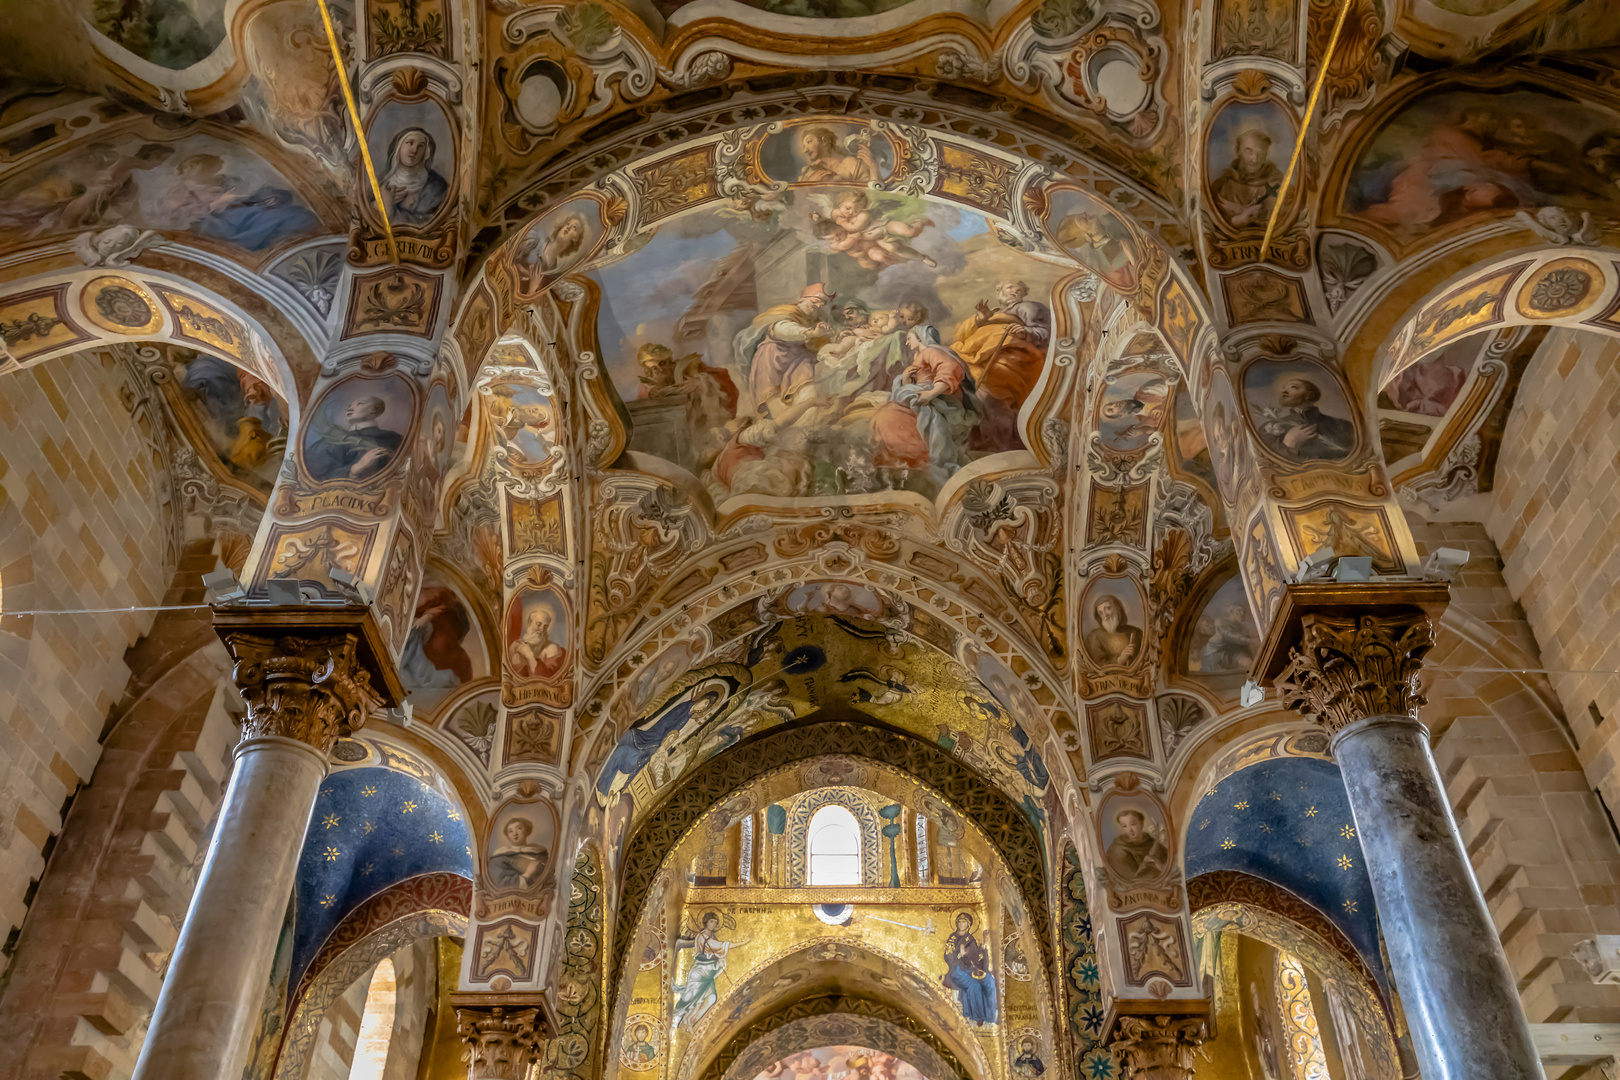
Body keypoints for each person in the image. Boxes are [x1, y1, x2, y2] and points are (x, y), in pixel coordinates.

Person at [952, 280, 1052, 451]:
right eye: (1010, 287)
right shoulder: (993, 314)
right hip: (981, 359)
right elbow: (960, 338)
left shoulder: (1027, 307)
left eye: (1019, 289)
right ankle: (978, 442)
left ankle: (997, 445)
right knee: (973, 397)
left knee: (991, 397)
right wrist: (981, 318)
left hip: (1007, 359)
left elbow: (1045, 332)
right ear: (999, 292)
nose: (1015, 290)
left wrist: (1024, 331)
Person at [870, 325, 978, 476]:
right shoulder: (919, 356)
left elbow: (951, 367)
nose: (907, 343)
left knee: (898, 415)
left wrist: (931, 393)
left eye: (909, 339)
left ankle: (920, 458)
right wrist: (907, 381)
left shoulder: (931, 351)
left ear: (920, 337)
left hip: (935, 398)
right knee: (887, 413)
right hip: (918, 393)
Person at [733, 284, 836, 407]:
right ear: (804, 300)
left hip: (799, 360)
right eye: (815, 301)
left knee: (806, 391)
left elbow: (821, 342)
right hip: (774, 359)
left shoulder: (816, 320)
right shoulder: (787, 312)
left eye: (821, 305)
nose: (818, 306)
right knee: (773, 403)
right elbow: (783, 329)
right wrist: (810, 333)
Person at [671, 912, 747, 1028]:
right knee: (688, 997)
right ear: (705, 922)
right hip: (700, 971)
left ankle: (690, 1022)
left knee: (711, 999)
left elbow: (715, 947)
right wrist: (743, 943)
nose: (713, 925)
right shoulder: (702, 937)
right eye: (711, 922)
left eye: (715, 923)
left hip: (709, 973)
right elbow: (720, 946)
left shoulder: (712, 937)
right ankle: (675, 1018)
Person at [304, 394, 402, 482]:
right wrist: (354, 469)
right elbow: (314, 476)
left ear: (375, 409)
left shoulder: (392, 438)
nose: (350, 408)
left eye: (359, 404)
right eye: (349, 406)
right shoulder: (328, 442)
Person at [1253, 376, 1355, 460]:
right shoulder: (1268, 428)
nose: (1284, 391)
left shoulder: (1342, 426)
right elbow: (1264, 462)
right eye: (1283, 388)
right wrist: (1289, 444)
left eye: (1293, 387)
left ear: (1309, 394)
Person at [400, 585, 473, 691]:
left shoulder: (450, 674)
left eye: (447, 636)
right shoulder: (416, 636)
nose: (441, 638)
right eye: (440, 629)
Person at [1212, 129, 1283, 228]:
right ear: (1238, 151)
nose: (1254, 160)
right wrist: (1238, 220)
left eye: (1261, 154)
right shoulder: (1220, 187)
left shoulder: (1278, 185)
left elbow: (1286, 223)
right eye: (1248, 151)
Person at [379, 127, 450, 226]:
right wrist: (380, 204)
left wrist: (388, 206)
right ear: (398, 147)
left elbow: (431, 223)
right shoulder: (381, 181)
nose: (414, 150)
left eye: (421, 146)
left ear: (426, 153)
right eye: (410, 143)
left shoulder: (436, 186)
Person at [941, 912, 997, 1025]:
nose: (962, 924)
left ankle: (990, 1017)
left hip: (972, 969)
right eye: (960, 921)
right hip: (957, 971)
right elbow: (948, 956)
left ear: (969, 924)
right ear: (957, 923)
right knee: (974, 985)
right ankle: (977, 1017)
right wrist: (960, 955)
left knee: (989, 982)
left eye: (965, 922)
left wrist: (985, 944)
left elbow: (976, 956)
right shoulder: (953, 938)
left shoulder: (970, 938)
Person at [514, 213, 589, 294]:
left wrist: (533, 286)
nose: (568, 227)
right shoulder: (536, 237)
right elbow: (510, 258)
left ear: (575, 239)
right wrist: (525, 273)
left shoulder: (554, 272)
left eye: (574, 228)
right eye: (567, 224)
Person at [795, 126, 882, 183]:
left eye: (809, 142)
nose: (805, 150)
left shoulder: (852, 164)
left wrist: (873, 166)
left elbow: (870, 194)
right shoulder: (807, 171)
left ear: (824, 141)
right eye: (804, 146)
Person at [1105, 809, 1169, 882]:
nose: (1129, 830)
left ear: (1141, 824)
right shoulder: (1117, 850)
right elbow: (1130, 880)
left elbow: (1171, 867)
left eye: (1132, 824)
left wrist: (1160, 866)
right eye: (1124, 826)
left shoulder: (1154, 844)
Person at [488, 816, 550, 891]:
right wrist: (527, 874)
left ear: (526, 831)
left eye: (519, 828)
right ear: (507, 836)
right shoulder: (499, 858)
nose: (515, 833)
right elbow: (501, 884)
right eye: (510, 831)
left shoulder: (539, 853)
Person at [507, 603, 567, 679]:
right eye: (539, 624)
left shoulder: (551, 648)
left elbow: (543, 679)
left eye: (545, 626)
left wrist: (529, 655)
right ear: (529, 622)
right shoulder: (516, 645)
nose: (542, 630)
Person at [1083, 595, 1142, 666]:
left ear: (1118, 609)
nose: (1105, 615)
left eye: (1108, 608)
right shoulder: (1093, 638)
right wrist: (1120, 659)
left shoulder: (1135, 632)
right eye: (1101, 613)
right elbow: (1098, 666)